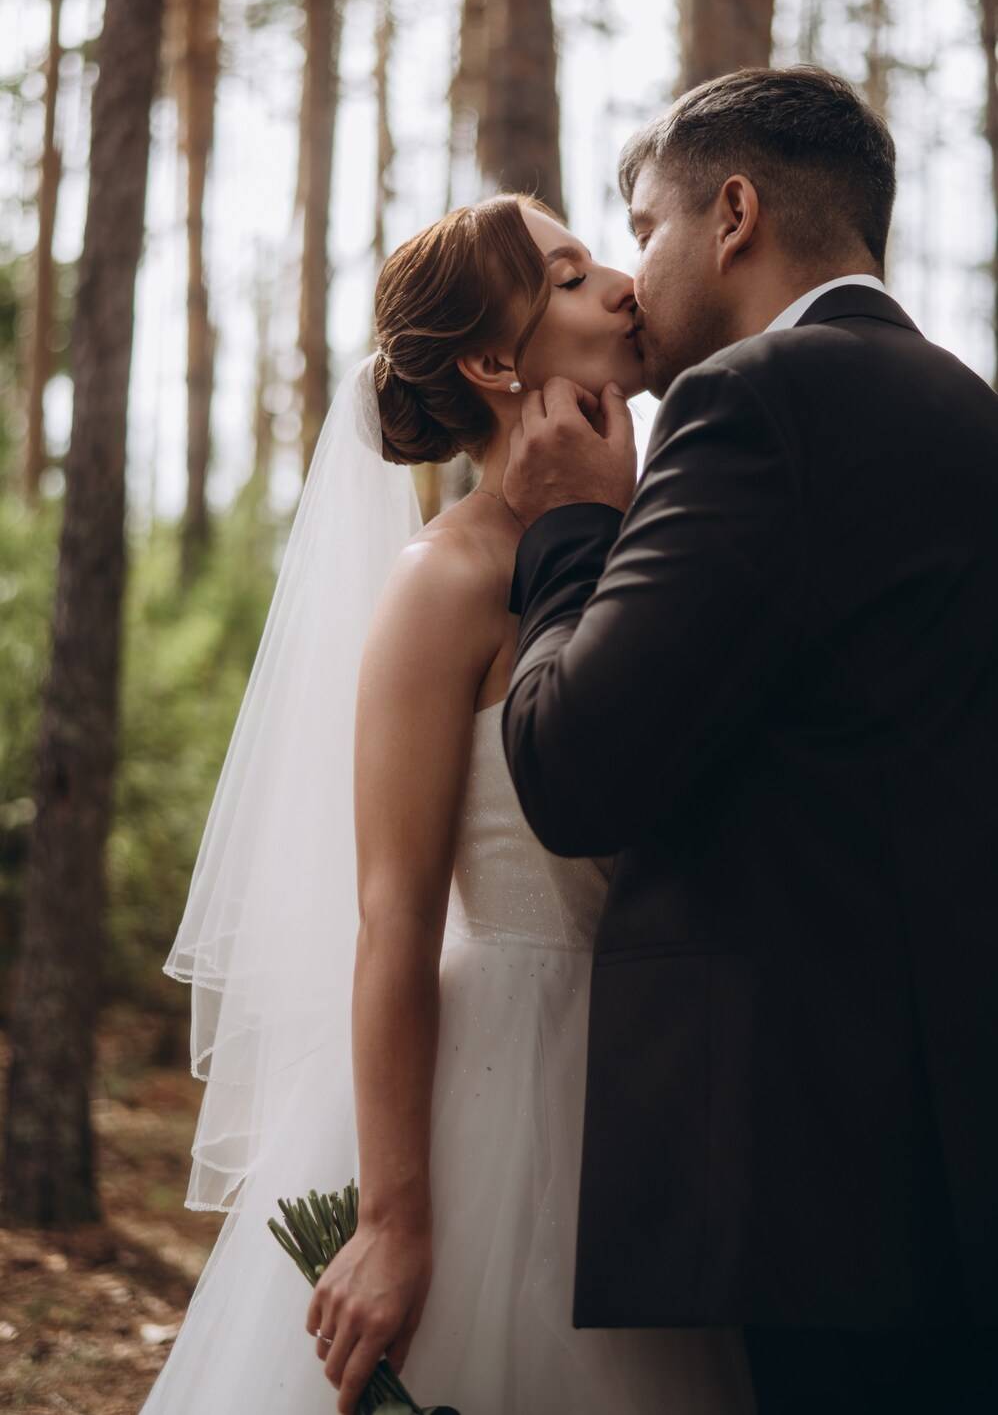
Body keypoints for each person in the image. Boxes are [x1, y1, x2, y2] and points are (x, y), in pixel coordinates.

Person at [139, 194, 752, 1415]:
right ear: (490, 363)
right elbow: (394, 916)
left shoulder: (663, 540)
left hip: (665, 1098)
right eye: (569, 277)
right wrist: (394, 1219)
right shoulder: (447, 581)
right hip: (498, 1094)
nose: (622, 284)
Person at [500, 65, 998, 1414]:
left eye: (642, 230)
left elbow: (572, 771)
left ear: (730, 216)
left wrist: (568, 531)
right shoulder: (966, 409)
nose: (629, 278)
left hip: (814, 1168)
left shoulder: (751, 405)